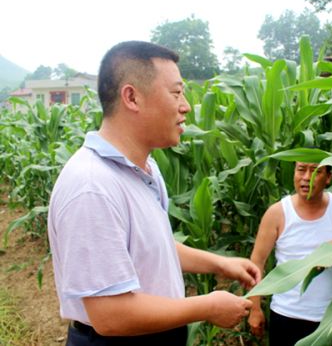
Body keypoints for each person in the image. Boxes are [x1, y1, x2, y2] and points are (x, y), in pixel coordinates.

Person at [48, 40, 260, 346]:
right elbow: (110, 315)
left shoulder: (143, 168)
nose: (186, 105)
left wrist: (218, 262)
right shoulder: (92, 186)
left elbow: (148, 247)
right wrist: (207, 306)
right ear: (132, 97)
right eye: (176, 93)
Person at [248, 161, 332, 346]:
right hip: (286, 315)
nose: (307, 177)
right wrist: (255, 308)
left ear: (328, 177)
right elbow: (257, 262)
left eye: (316, 171)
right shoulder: (277, 213)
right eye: (301, 170)